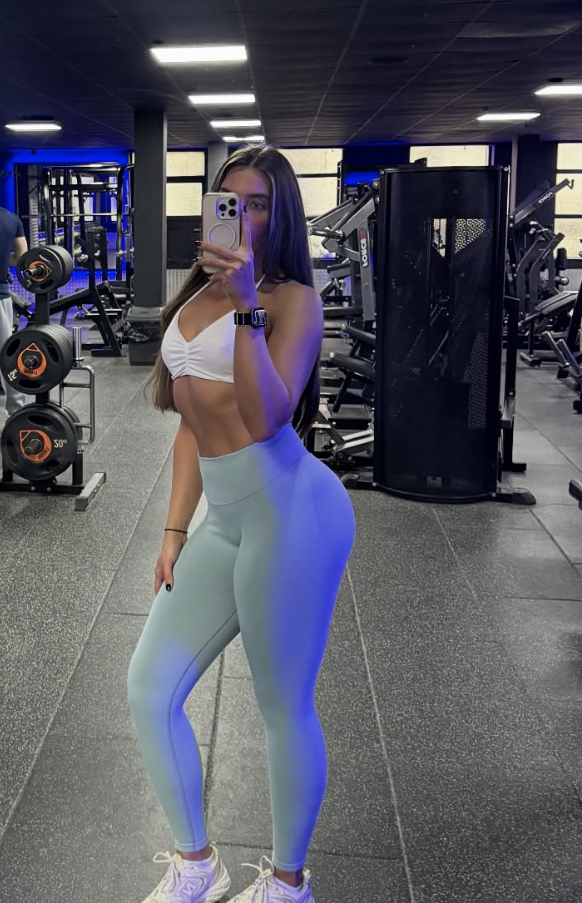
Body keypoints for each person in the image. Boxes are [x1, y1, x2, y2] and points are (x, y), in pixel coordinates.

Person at [128, 146, 356, 903]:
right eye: (229, 200)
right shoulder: (192, 294)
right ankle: (197, 863)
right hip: (224, 519)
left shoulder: (291, 301)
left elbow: (262, 415)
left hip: (293, 513)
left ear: (279, 215)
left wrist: (245, 303)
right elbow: (190, 420)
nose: (241, 214)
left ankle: (289, 884)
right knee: (148, 687)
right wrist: (172, 533)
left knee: (280, 704)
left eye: (257, 203)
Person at [0, 179, 29, 417]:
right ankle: (16, 409)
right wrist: (4, 260)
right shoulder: (11, 219)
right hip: (0, 296)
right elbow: (22, 257)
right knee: (6, 353)